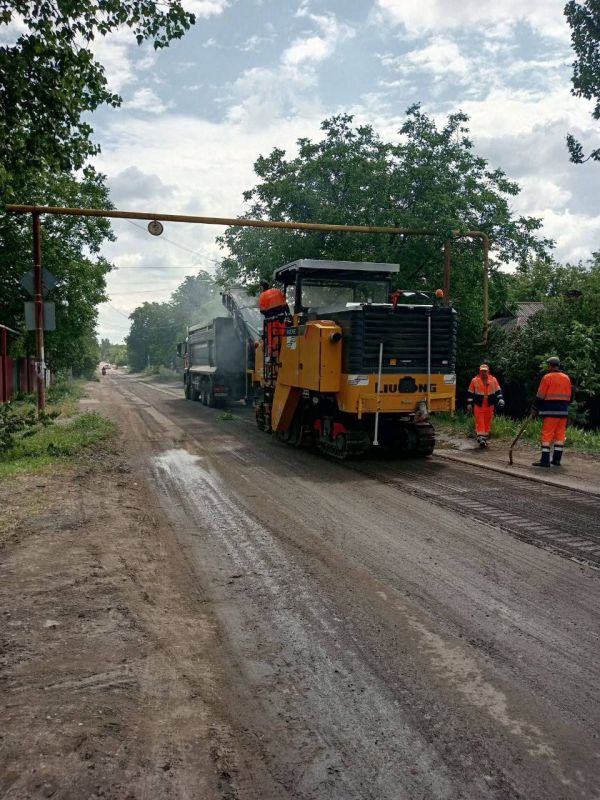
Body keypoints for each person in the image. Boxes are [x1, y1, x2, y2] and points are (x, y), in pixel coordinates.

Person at [531, 356, 572, 467]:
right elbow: (569, 396)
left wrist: (535, 407)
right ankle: (556, 460)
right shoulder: (566, 378)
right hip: (563, 411)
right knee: (560, 435)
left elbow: (540, 395)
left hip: (550, 411)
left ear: (550, 365)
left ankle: (545, 461)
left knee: (547, 435)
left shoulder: (547, 377)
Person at [466, 364, 504, 448]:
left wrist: (500, 399)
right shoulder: (474, 380)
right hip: (478, 404)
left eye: (485, 371)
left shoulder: (493, 380)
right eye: (482, 371)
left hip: (490, 404)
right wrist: (469, 404)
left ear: (488, 372)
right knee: (480, 420)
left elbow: (498, 391)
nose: (483, 373)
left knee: (488, 420)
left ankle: (484, 438)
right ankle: (481, 437)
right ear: (479, 372)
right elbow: (470, 393)